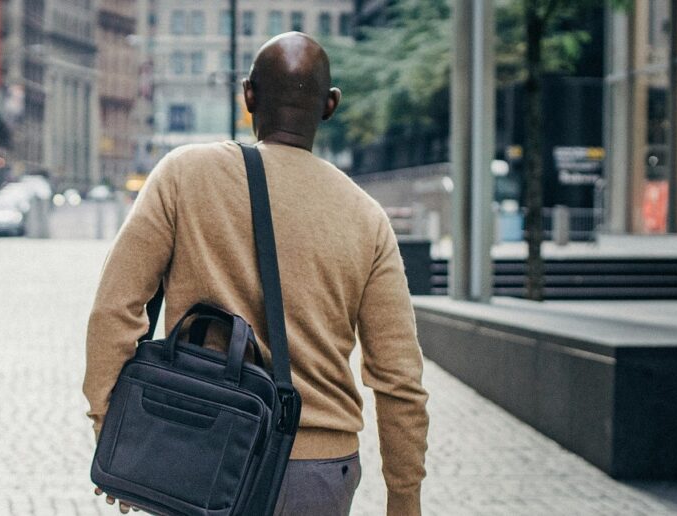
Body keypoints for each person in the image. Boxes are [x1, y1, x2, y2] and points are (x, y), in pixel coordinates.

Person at [84, 32, 429, 516]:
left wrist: (111, 427)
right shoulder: (366, 217)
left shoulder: (185, 174)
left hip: (201, 452)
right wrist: (405, 498)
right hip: (321, 469)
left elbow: (114, 308)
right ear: (330, 106)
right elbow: (399, 379)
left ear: (248, 96)